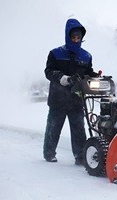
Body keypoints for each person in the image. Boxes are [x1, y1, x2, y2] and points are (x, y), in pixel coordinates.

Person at [43, 18, 98, 165]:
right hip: (58, 98)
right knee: (54, 127)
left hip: (76, 99)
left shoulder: (86, 56)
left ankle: (80, 156)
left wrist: (95, 76)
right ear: (68, 36)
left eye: (78, 37)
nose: (75, 39)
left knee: (79, 129)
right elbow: (49, 71)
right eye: (73, 36)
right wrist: (64, 78)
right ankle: (49, 153)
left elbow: (88, 72)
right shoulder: (55, 53)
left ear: (81, 38)